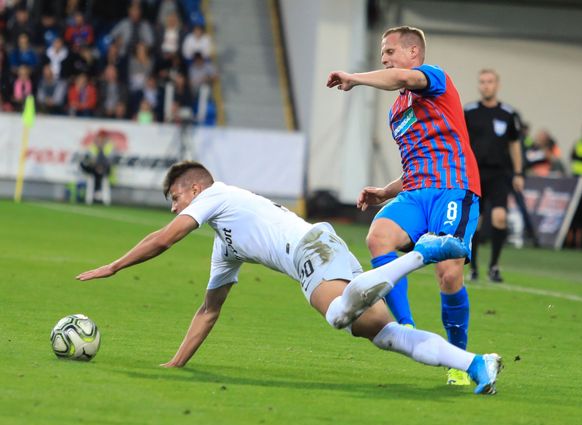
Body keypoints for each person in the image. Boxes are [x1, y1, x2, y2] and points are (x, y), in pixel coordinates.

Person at [76, 161, 503, 395]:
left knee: (337, 316)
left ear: (192, 190)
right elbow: (209, 310)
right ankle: (476, 365)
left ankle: (420, 255)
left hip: (310, 251)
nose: (174, 209)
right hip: (321, 250)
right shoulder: (226, 241)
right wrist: (176, 364)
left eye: (174, 199)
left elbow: (167, 238)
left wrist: (114, 265)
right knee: (385, 334)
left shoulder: (217, 194)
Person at [327, 26, 480, 386]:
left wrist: (354, 78)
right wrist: (385, 191)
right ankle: (405, 326)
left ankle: (459, 358)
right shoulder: (398, 111)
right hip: (415, 193)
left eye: (390, 51)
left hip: (454, 189)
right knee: (378, 236)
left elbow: (398, 77)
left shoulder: (435, 78)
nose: (384, 58)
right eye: (383, 53)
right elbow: (417, 165)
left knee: (449, 273)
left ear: (413, 54)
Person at [464, 69, 524, 283]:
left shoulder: (508, 114)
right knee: (476, 222)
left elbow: (515, 145)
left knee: (499, 218)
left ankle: (494, 266)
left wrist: (518, 172)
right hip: (474, 174)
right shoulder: (469, 111)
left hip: (499, 174)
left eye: (489, 82)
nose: (486, 85)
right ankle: (473, 268)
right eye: (482, 82)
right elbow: (460, 142)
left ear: (497, 85)